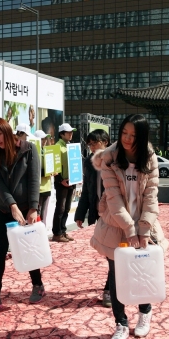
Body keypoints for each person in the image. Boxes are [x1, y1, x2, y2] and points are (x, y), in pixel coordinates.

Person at [90, 114, 169, 339]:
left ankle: (145, 311)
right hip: (116, 224)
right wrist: (129, 228)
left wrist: (143, 229)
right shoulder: (109, 157)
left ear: (142, 137)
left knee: (142, 270)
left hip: (144, 223)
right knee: (117, 275)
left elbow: (151, 196)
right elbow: (113, 197)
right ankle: (121, 323)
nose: (127, 138)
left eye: (133, 135)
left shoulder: (150, 157)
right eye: (124, 132)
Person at [0, 117, 45, 313]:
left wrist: (33, 208)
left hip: (26, 209)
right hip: (4, 209)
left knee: (28, 249)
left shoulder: (29, 149)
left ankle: (37, 285)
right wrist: (12, 206)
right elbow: (0, 186)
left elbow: (34, 180)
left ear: (7, 131)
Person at [74, 129, 111, 308]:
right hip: (99, 213)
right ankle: (113, 285)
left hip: (115, 213)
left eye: (94, 143)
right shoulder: (89, 163)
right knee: (108, 253)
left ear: (105, 141)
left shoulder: (114, 160)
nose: (92, 147)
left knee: (113, 253)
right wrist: (80, 213)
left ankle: (109, 291)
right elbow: (88, 190)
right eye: (89, 144)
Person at [52, 123, 76, 242]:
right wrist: (61, 180)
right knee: (60, 208)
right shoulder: (57, 146)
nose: (71, 134)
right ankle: (57, 233)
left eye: (72, 132)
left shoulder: (70, 146)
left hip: (71, 181)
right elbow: (54, 167)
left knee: (67, 208)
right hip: (62, 182)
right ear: (62, 134)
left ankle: (63, 230)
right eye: (68, 132)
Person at [35, 129, 53, 222]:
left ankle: (42, 233)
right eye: (42, 139)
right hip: (38, 188)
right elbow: (34, 171)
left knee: (44, 213)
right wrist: (46, 172)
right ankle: (37, 234)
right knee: (37, 213)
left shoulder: (48, 151)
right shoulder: (34, 152)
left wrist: (53, 171)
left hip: (47, 187)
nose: (45, 141)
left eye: (45, 139)